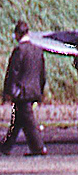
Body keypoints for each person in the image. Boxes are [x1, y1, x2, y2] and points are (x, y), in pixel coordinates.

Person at [3, 20, 47, 156]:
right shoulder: (37, 50)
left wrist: (7, 92)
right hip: (34, 90)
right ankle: (6, 147)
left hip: (21, 92)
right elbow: (42, 73)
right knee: (18, 121)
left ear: (17, 34)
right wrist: (40, 91)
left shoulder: (19, 51)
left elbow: (13, 73)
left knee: (28, 120)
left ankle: (39, 148)